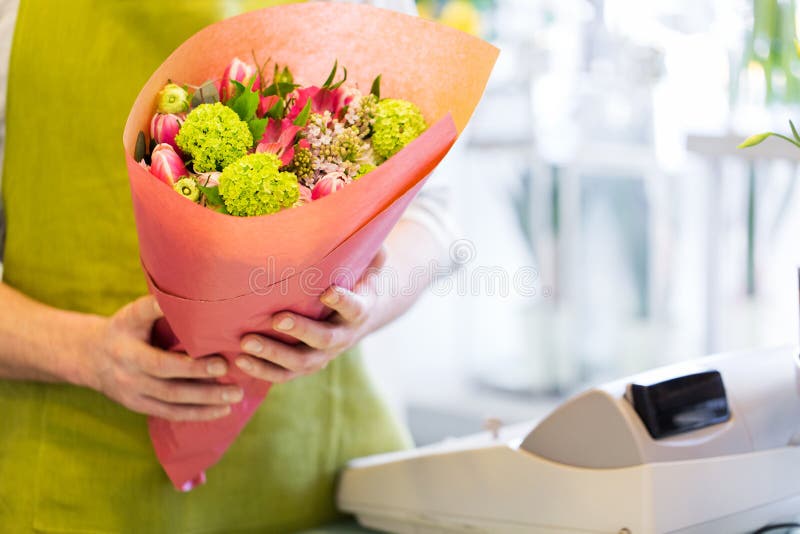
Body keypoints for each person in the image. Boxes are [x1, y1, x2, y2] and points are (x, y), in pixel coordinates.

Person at [0, 0, 455, 532]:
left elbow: (430, 215)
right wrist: (85, 354)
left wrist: (366, 307)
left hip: (322, 474)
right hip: (78, 477)